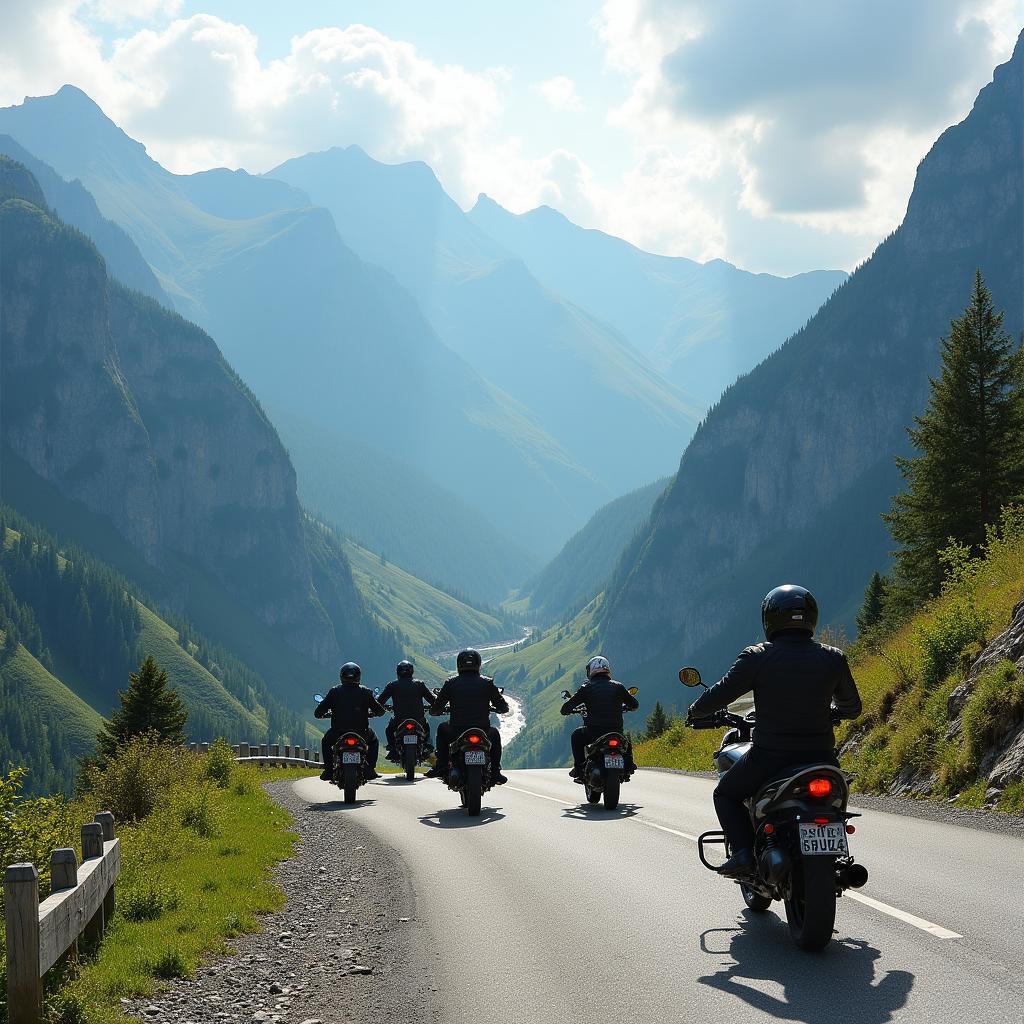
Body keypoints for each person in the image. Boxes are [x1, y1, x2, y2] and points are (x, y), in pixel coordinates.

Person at [687, 584, 862, 878]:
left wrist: (696, 711)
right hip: (822, 758)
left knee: (726, 794)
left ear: (769, 619)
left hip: (770, 757)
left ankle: (743, 853)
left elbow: (722, 692)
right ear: (811, 617)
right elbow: (852, 708)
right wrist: (834, 712)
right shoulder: (833, 657)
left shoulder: (757, 656)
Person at [426, 648, 509, 784]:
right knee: (495, 735)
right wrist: (500, 709)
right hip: (483, 730)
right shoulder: (487, 683)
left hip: (456, 731)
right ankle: (495, 772)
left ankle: (441, 767)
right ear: (478, 663)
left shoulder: (451, 683)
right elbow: (502, 706)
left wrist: (436, 711)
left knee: (442, 729)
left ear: (459, 664)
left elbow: (436, 708)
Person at [560, 655, 640, 779]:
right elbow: (635, 704)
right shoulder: (618, 686)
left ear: (591, 670)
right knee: (625, 739)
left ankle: (579, 769)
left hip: (594, 732)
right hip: (615, 730)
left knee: (576, 736)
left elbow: (566, 707)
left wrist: (567, 709)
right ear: (607, 669)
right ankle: (629, 765)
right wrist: (627, 706)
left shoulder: (586, 687)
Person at [315, 662, 386, 781]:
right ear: (358, 676)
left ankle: (328, 770)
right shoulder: (366, 691)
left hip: (338, 732)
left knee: (326, 742)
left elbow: (318, 713)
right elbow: (380, 711)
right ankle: (370, 769)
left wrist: (324, 714)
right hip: (361, 732)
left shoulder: (334, 691)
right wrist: (373, 713)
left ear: (341, 676)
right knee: (374, 741)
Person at [379, 659, 435, 758]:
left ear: (398, 672)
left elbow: (380, 701)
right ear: (412, 671)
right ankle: (426, 746)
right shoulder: (419, 684)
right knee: (426, 726)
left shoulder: (392, 685)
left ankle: (392, 749)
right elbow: (432, 700)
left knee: (389, 729)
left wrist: (380, 708)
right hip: (418, 720)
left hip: (398, 720)